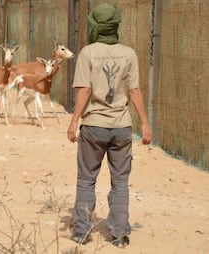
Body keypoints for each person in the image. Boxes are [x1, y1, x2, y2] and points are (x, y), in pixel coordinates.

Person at [66, 3, 152, 248]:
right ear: (115, 25)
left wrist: (74, 121)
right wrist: (144, 122)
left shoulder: (88, 52)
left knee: (86, 180)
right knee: (120, 182)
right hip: (121, 127)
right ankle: (119, 234)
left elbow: (85, 89)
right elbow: (134, 90)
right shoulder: (129, 53)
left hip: (93, 126)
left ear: (95, 25)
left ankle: (82, 232)